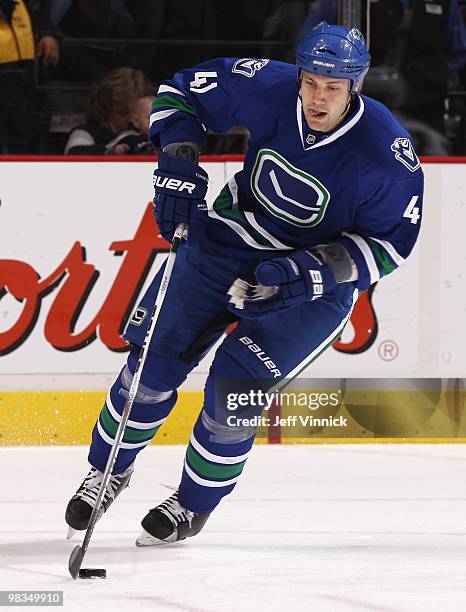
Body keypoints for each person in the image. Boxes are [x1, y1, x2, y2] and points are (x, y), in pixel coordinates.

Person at [65, 22, 423, 545]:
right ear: (299, 75)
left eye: (333, 87)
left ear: (356, 87)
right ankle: (107, 472)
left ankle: (192, 506)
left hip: (307, 284)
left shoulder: (385, 155)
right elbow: (179, 92)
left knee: (233, 393)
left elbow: (390, 246)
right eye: (311, 82)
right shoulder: (268, 86)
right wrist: (178, 157)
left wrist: (311, 273)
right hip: (228, 241)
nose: (318, 97)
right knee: (150, 369)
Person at [0, 0, 59, 153]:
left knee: (23, 136)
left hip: (22, 80)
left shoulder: (21, 4)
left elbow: (39, 12)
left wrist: (47, 32)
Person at [64, 67, 153, 154]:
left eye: (137, 116)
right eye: (122, 113)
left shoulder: (144, 136)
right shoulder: (84, 134)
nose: (131, 120)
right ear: (106, 108)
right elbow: (75, 155)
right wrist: (113, 149)